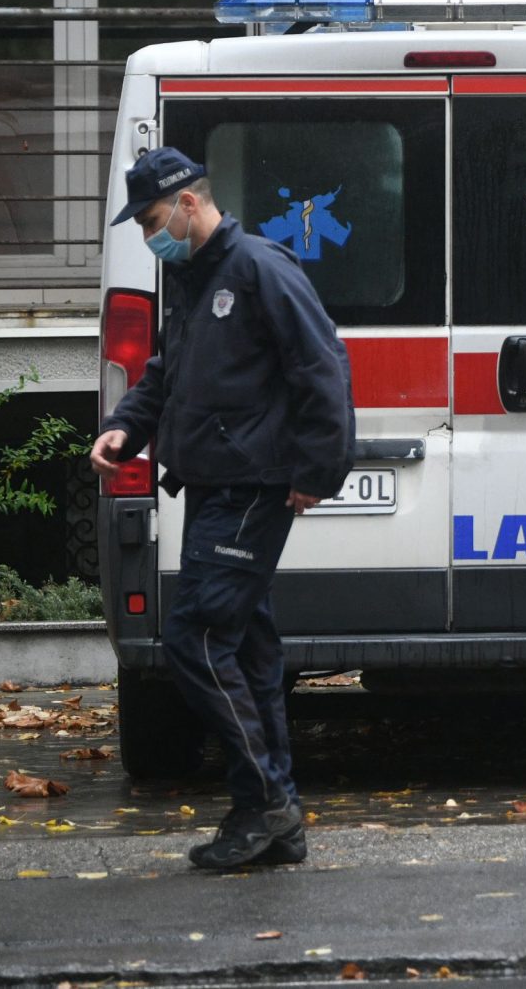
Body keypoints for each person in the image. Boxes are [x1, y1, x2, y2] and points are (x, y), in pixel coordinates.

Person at [87, 147, 354, 871]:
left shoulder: (261, 269)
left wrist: (317, 471)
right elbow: (165, 372)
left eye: (151, 220)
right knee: (252, 654)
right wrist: (126, 425)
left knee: (196, 639)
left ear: (189, 203)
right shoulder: (193, 277)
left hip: (250, 487)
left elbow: (323, 366)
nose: (150, 235)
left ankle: (266, 803)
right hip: (213, 487)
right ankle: (274, 818)